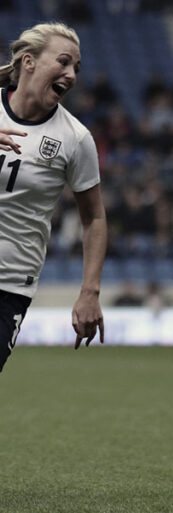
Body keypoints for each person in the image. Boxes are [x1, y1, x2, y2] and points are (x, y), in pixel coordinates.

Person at [0, 22, 107, 374]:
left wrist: (89, 291)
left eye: (76, 67)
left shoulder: (75, 139)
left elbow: (94, 218)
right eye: (63, 62)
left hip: (9, 281)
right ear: (28, 62)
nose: (71, 74)